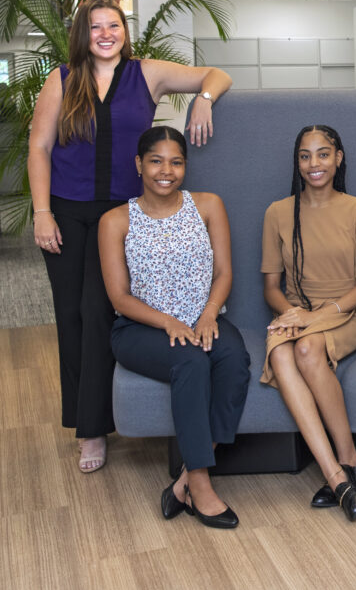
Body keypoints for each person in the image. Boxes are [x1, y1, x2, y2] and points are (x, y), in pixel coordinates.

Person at [28, 0, 232, 473]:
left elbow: (216, 74)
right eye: (95, 26)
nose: (105, 33)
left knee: (100, 312)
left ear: (124, 30)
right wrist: (41, 212)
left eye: (113, 25)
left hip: (122, 217)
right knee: (72, 317)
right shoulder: (62, 79)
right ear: (84, 33)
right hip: (67, 212)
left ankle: (103, 419)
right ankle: (89, 429)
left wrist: (203, 100)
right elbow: (39, 148)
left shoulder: (148, 73)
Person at [98, 126, 249, 528]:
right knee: (191, 362)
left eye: (176, 162)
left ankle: (181, 480)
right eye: (156, 161)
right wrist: (170, 323)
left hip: (204, 317)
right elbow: (120, 298)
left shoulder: (208, 205)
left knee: (233, 357)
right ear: (139, 165)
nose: (167, 171)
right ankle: (200, 483)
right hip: (140, 329)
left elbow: (224, 272)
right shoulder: (115, 220)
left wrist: (208, 313)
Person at [261, 125, 356, 522]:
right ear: (297, 163)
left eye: (323, 154)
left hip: (346, 314)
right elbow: (271, 289)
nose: (315, 164)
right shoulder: (277, 212)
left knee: (307, 350)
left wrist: (314, 318)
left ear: (338, 158)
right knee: (281, 351)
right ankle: (338, 476)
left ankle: (349, 456)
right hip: (295, 315)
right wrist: (291, 316)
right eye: (306, 156)